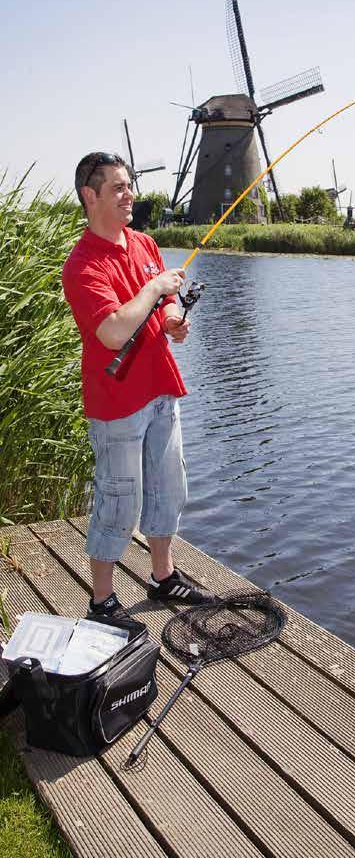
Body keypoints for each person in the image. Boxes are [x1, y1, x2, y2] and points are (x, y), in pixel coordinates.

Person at [62, 152, 211, 624]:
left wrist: (173, 322)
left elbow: (164, 304)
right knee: (119, 498)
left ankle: (163, 576)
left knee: (170, 487)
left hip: (161, 388)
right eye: (119, 188)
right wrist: (153, 291)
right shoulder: (83, 264)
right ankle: (102, 601)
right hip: (116, 403)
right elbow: (111, 331)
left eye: (130, 186)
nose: (130, 196)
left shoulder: (144, 243)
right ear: (91, 196)